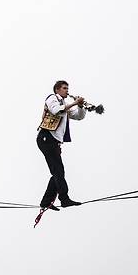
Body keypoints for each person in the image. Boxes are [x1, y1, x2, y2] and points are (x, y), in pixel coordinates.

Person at [36, 80, 87, 210]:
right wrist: (74, 102)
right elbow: (56, 111)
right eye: (64, 88)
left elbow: (78, 116)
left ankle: (46, 201)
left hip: (53, 141)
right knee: (58, 171)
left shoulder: (64, 104)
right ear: (57, 89)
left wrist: (80, 106)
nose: (67, 91)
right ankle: (64, 199)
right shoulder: (52, 98)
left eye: (67, 88)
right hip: (46, 138)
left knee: (58, 172)